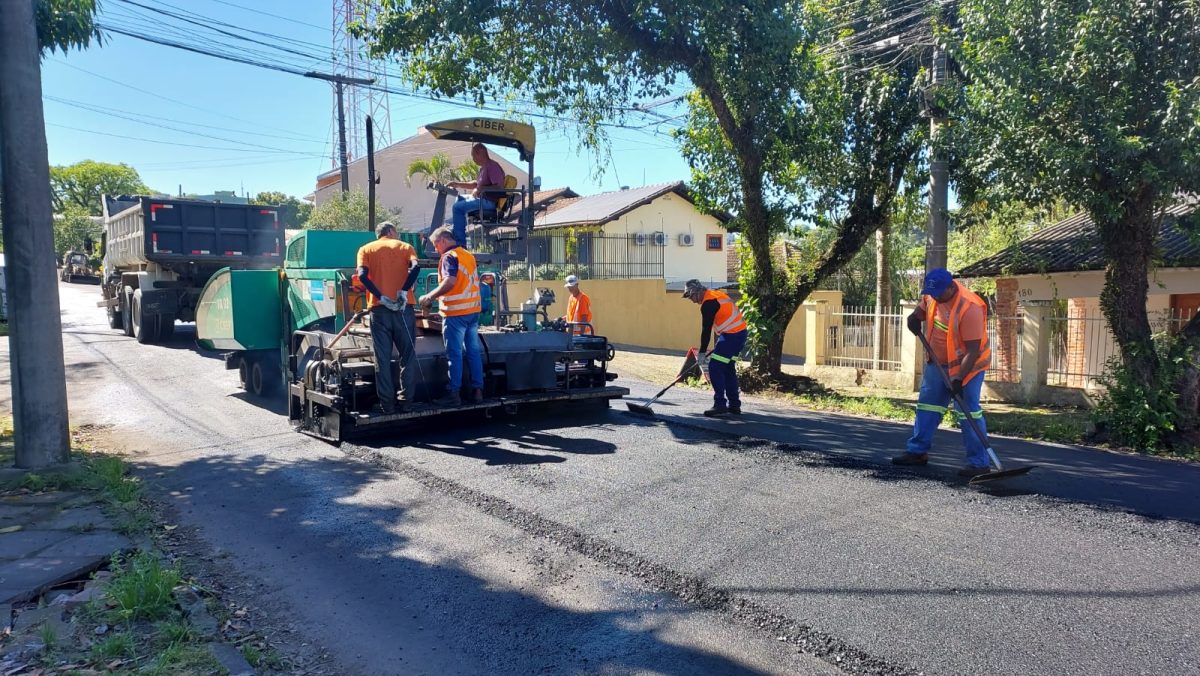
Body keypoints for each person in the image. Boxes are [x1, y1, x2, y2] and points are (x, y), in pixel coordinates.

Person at [893, 268, 994, 478]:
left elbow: (973, 350)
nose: (936, 296)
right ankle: (917, 451)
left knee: (968, 412)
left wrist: (958, 378)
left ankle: (979, 463)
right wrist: (914, 317)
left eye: (940, 292)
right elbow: (922, 309)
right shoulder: (932, 294)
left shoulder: (970, 307)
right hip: (938, 364)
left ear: (951, 286)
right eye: (933, 293)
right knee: (927, 406)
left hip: (969, 366)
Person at [355, 222, 420, 414]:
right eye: (396, 231)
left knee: (382, 359)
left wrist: (379, 295)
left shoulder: (365, 249)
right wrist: (403, 291)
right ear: (390, 231)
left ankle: (387, 406)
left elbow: (362, 276)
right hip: (403, 308)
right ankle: (407, 402)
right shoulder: (405, 247)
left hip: (379, 310)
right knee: (407, 357)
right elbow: (416, 267)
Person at [419, 226, 484, 407]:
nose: (436, 250)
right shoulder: (467, 255)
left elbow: (450, 281)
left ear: (443, 241)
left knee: (454, 354)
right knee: (473, 352)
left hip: (456, 313)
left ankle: (453, 394)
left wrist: (429, 296)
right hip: (472, 311)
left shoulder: (449, 257)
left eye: (435, 245)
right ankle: (477, 391)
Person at [682, 279, 748, 417]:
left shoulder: (708, 304)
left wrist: (701, 353)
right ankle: (734, 405)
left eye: (690, 296)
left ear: (697, 292)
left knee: (715, 366)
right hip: (738, 334)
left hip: (732, 336)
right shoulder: (715, 295)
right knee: (728, 368)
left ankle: (720, 404)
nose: (691, 300)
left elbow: (706, 330)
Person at [447, 143, 506, 246]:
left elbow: (499, 187)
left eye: (473, 156)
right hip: (482, 199)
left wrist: (480, 189)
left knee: (457, 208)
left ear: (479, 154)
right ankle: (458, 231)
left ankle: (460, 242)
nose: (473, 159)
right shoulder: (483, 168)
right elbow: (476, 184)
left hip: (490, 202)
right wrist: (457, 184)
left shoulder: (492, 166)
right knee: (459, 199)